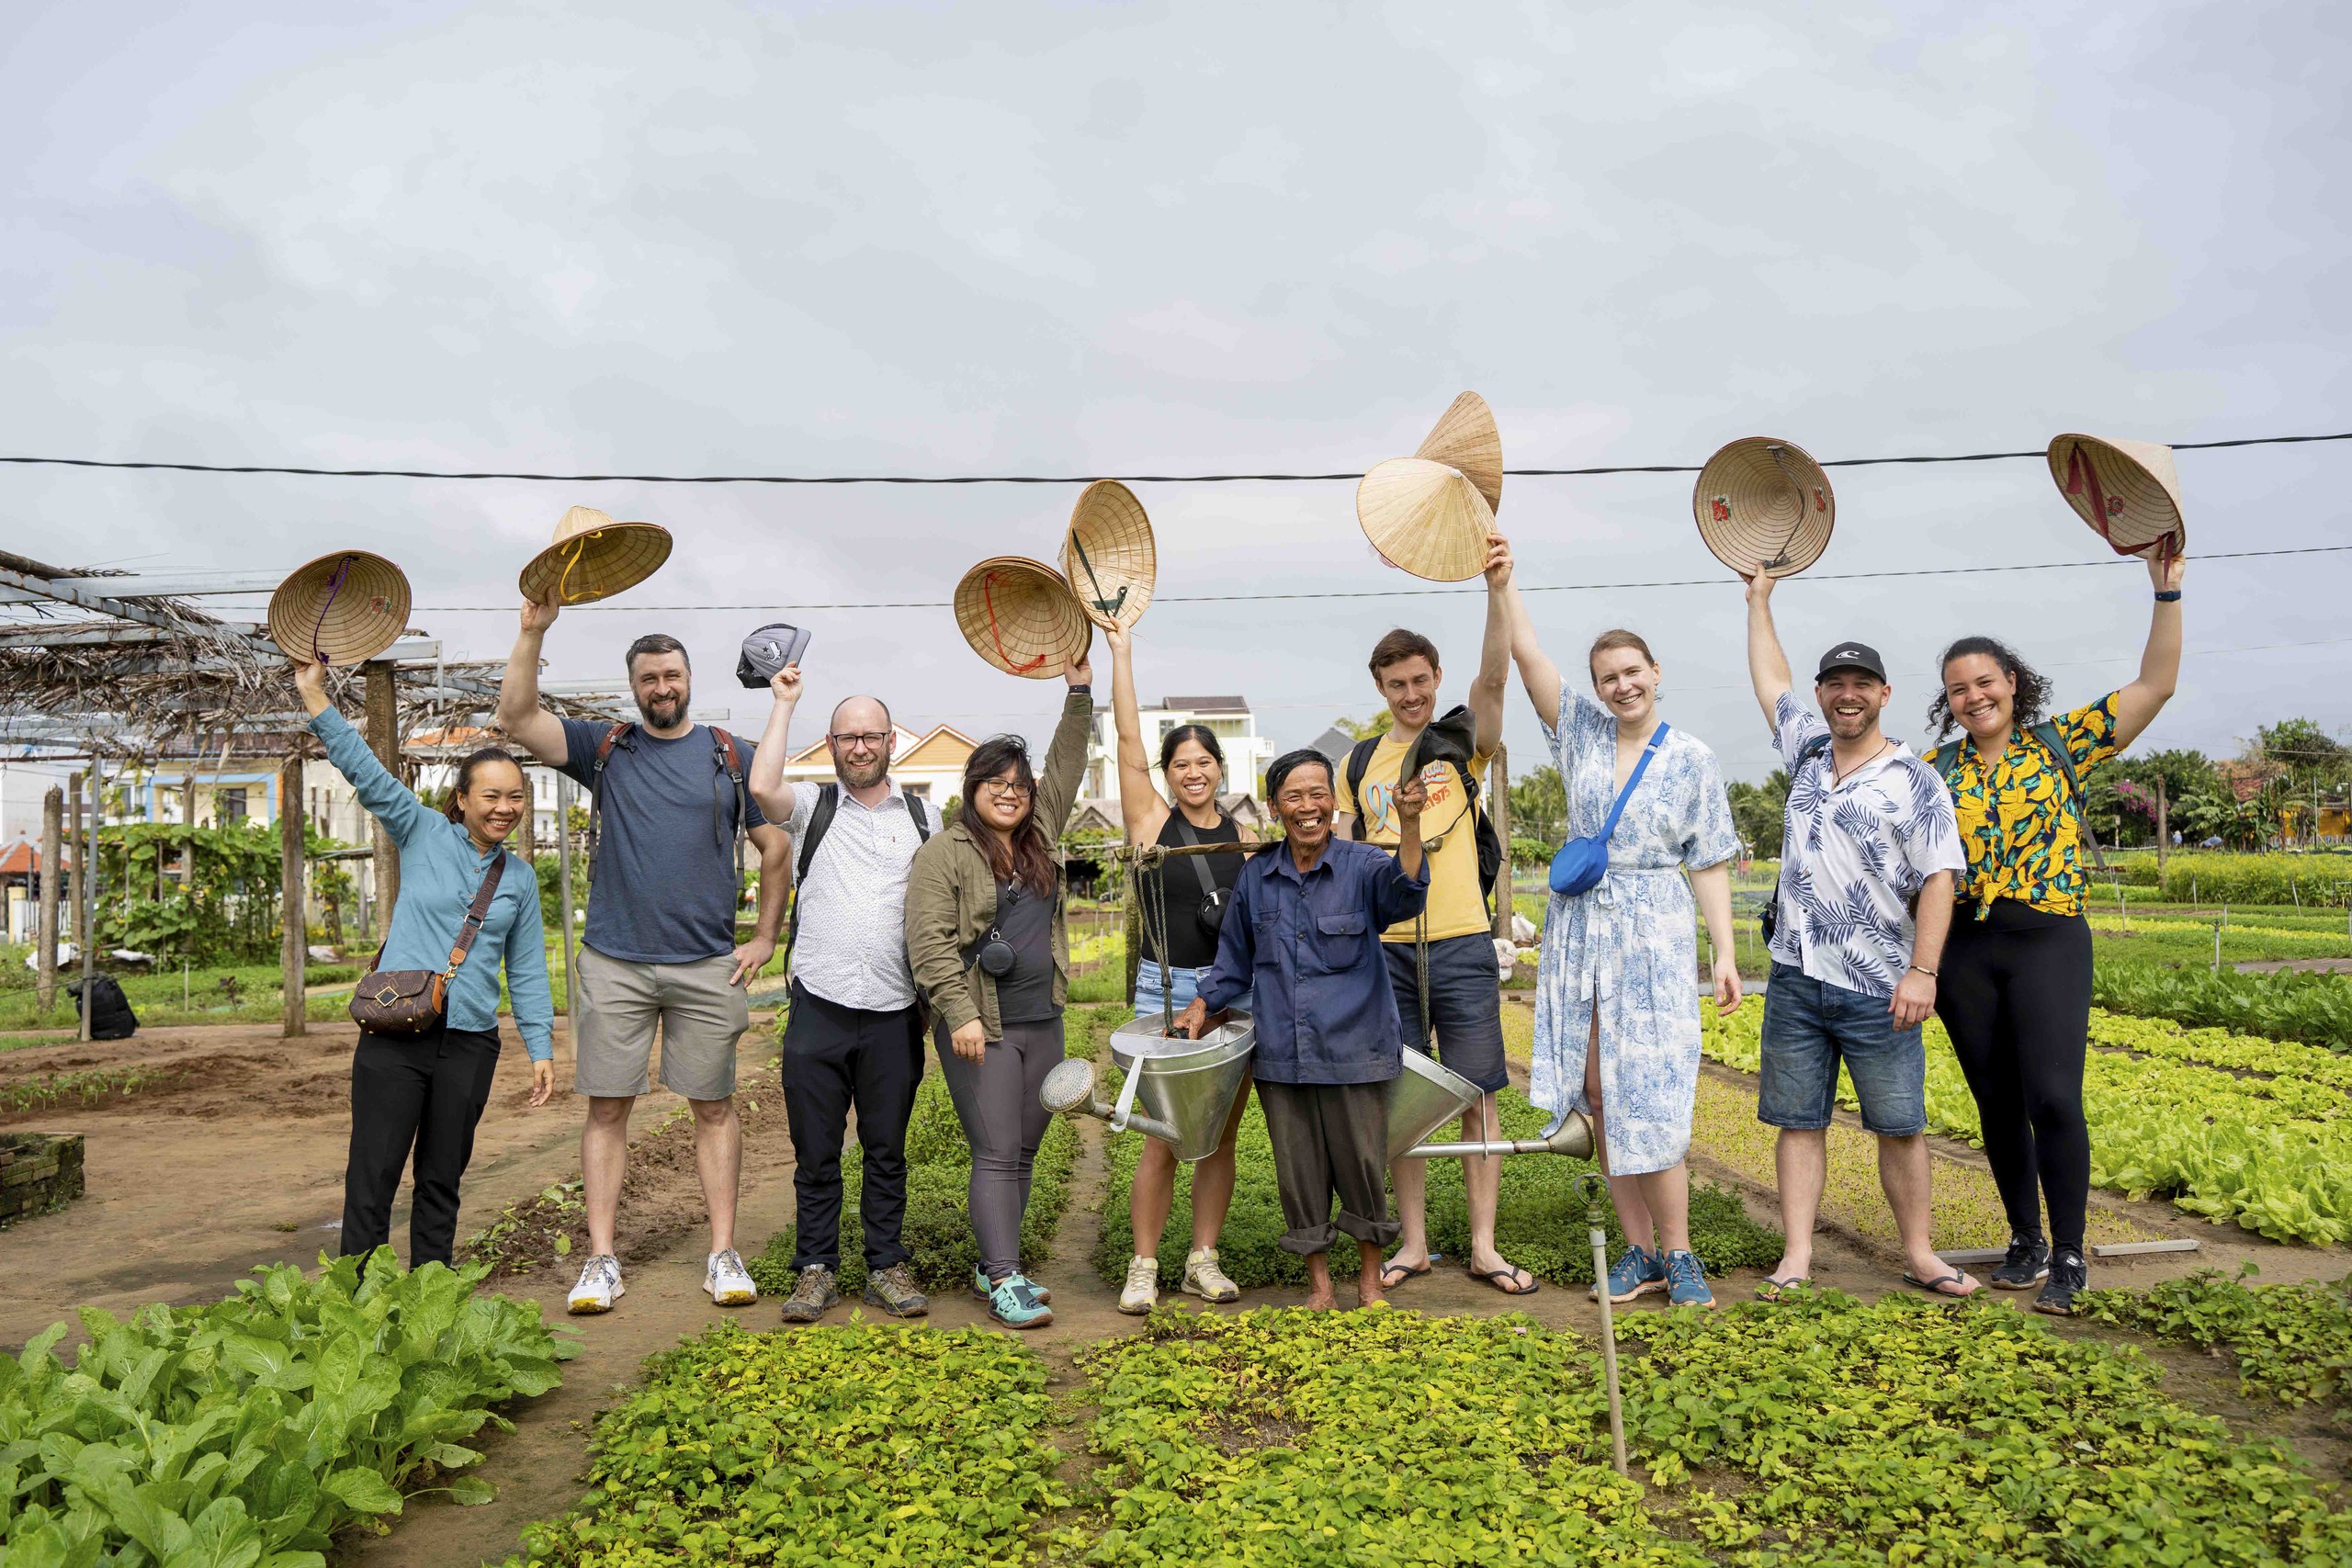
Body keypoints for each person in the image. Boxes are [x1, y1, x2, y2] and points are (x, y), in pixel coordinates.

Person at [496, 597, 790, 1315]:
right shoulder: (606, 749)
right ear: (635, 686)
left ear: (690, 678)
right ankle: (601, 1260)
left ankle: (723, 1251)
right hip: (616, 962)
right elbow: (516, 717)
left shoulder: (729, 753)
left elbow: (776, 843)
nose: (662, 687)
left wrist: (764, 936)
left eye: (673, 675)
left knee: (715, 1106)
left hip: (705, 963)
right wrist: (533, 630)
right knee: (606, 1109)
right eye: (650, 678)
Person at [1929, 550, 2186, 1314]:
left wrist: (2165, 588)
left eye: (1985, 681)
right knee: (1996, 1102)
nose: (1974, 696)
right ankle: (2025, 1238)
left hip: (2049, 939)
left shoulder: (2062, 743)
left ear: (2012, 682)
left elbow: (2156, 685)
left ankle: (2070, 1251)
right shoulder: (1932, 768)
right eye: (1958, 689)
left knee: (2052, 1096)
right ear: (1947, 703)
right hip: (1964, 949)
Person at [1493, 535, 1744, 1309]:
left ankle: (1683, 1251)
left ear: (1656, 673)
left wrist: (1725, 955)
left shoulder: (1693, 758)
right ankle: (1639, 1251)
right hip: (1582, 929)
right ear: (1598, 688)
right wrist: (1505, 584)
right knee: (1600, 1090)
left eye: (1633, 671)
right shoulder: (1582, 735)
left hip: (1655, 929)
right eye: (1609, 677)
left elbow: (1709, 861)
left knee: (1655, 1089)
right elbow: (1530, 657)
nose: (1622, 685)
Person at [1741, 576, 1977, 1300]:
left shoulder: (1915, 779)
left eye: (1861, 684)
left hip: (1880, 984)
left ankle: (1921, 1253)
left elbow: (1940, 877)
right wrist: (1758, 601)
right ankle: (1797, 1255)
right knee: (1798, 1120)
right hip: (1795, 975)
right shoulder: (1807, 753)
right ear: (1822, 695)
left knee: (1899, 1125)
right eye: (1835, 683)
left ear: (1884, 693)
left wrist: (1923, 972)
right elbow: (1769, 677)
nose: (1848, 694)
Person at [293, 658, 555, 1269]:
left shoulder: (518, 878)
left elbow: (526, 969)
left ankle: (431, 1302)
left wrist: (540, 1047)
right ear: (461, 799)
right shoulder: (420, 832)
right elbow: (365, 769)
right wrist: (314, 696)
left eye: (516, 796)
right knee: (373, 1175)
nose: (504, 807)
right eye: (491, 795)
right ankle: (357, 1302)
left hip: (469, 1044)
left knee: (442, 1180)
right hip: (395, 1032)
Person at [1173, 750, 1429, 1310]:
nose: (1307, 808)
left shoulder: (1363, 867)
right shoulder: (1258, 878)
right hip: (1284, 1056)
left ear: (1333, 804)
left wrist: (1409, 825)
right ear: (1274, 807)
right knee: (1298, 1171)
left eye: (1318, 794)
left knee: (1363, 1167)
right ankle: (1319, 1285)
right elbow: (1233, 959)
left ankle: (1367, 1282)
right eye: (1293, 796)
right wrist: (1201, 1005)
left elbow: (1406, 895)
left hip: (1355, 1048)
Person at [1337, 602, 1531, 1298]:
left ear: (1436, 676)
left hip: (1462, 941)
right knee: (1406, 1097)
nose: (1412, 695)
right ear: (1381, 689)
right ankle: (1414, 1243)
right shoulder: (1359, 762)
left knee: (1478, 1094)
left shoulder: (1461, 740)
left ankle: (1483, 1245)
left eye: (1421, 680)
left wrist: (1497, 589)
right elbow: (1349, 854)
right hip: (1386, 951)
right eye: (1398, 685)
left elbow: (1496, 677)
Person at [903, 653, 1094, 1329]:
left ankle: (999, 1264)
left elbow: (1067, 763)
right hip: (982, 1025)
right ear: (972, 785)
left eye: (1018, 783)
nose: (1009, 792)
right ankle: (1005, 1279)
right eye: (996, 781)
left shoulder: (1041, 836)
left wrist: (1078, 691)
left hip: (1043, 1020)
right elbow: (927, 943)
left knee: (1027, 1147)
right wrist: (958, 1013)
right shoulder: (945, 852)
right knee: (994, 1146)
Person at [747, 668, 934, 1323]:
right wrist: (784, 703)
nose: (860, 747)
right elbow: (762, 785)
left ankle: (886, 1263)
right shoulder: (810, 809)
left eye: (871, 736)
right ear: (830, 743)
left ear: (891, 742)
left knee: (887, 1149)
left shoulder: (924, 817)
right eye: (848, 737)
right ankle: (815, 1267)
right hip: (819, 1005)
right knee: (816, 1152)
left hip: (894, 1012)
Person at [1102, 622, 1255, 1314]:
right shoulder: (1150, 823)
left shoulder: (1247, 841)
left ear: (1221, 767)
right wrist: (1122, 652)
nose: (1193, 773)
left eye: (1204, 762)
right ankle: (1143, 1265)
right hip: (1164, 991)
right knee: (1163, 1135)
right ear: (1168, 775)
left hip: (1231, 995)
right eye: (1180, 765)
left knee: (1219, 1132)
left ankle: (1203, 1258)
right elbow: (1129, 746)